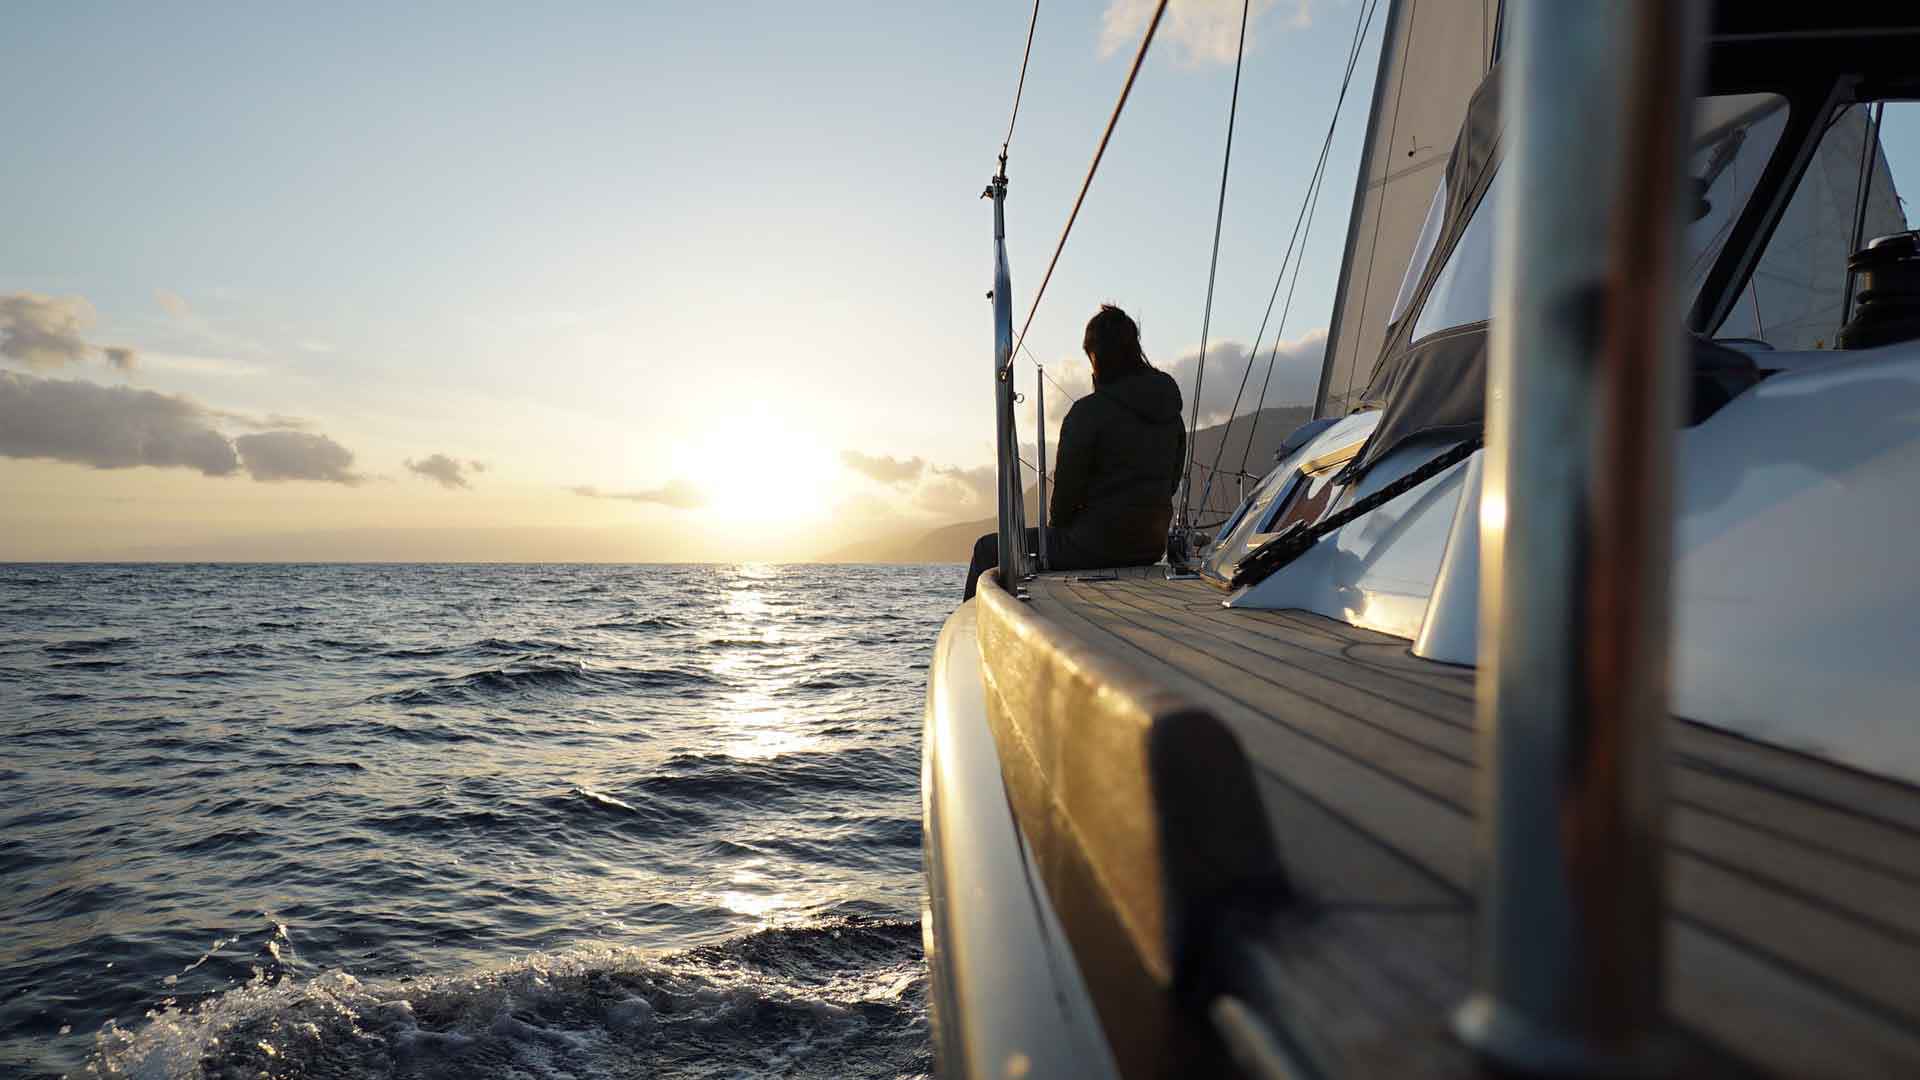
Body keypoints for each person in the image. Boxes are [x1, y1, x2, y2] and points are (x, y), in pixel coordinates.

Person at [963, 304, 1185, 600]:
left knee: (986, 549)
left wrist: (1060, 532)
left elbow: (1065, 501)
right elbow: (1171, 482)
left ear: (1097, 356)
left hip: (1093, 545)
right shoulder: (1171, 414)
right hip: (1149, 546)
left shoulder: (1088, 413)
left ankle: (972, 641)